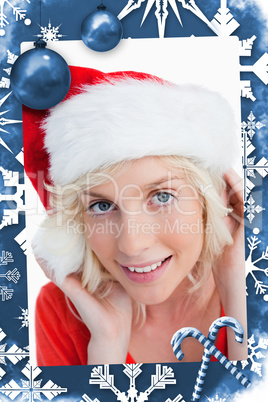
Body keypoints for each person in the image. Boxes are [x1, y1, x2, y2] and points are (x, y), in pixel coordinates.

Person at [23, 66, 247, 366]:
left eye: (162, 197)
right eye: (101, 206)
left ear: (214, 201)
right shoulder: (62, 311)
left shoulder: (257, 284)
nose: (132, 244)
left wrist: (240, 290)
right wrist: (107, 343)